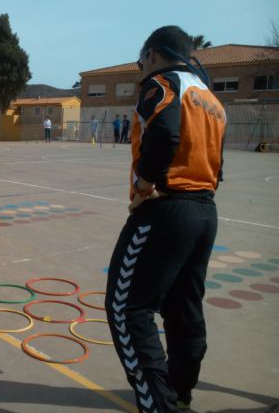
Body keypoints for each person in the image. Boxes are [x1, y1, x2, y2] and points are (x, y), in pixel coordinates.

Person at [104, 25, 226, 413]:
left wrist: (142, 188)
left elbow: (166, 136)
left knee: (128, 308)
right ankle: (180, 392)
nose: (143, 67)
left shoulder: (163, 85)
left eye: (144, 59)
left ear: (155, 54)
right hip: (204, 211)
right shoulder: (212, 99)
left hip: (166, 208)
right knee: (183, 307)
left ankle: (160, 405)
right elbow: (217, 165)